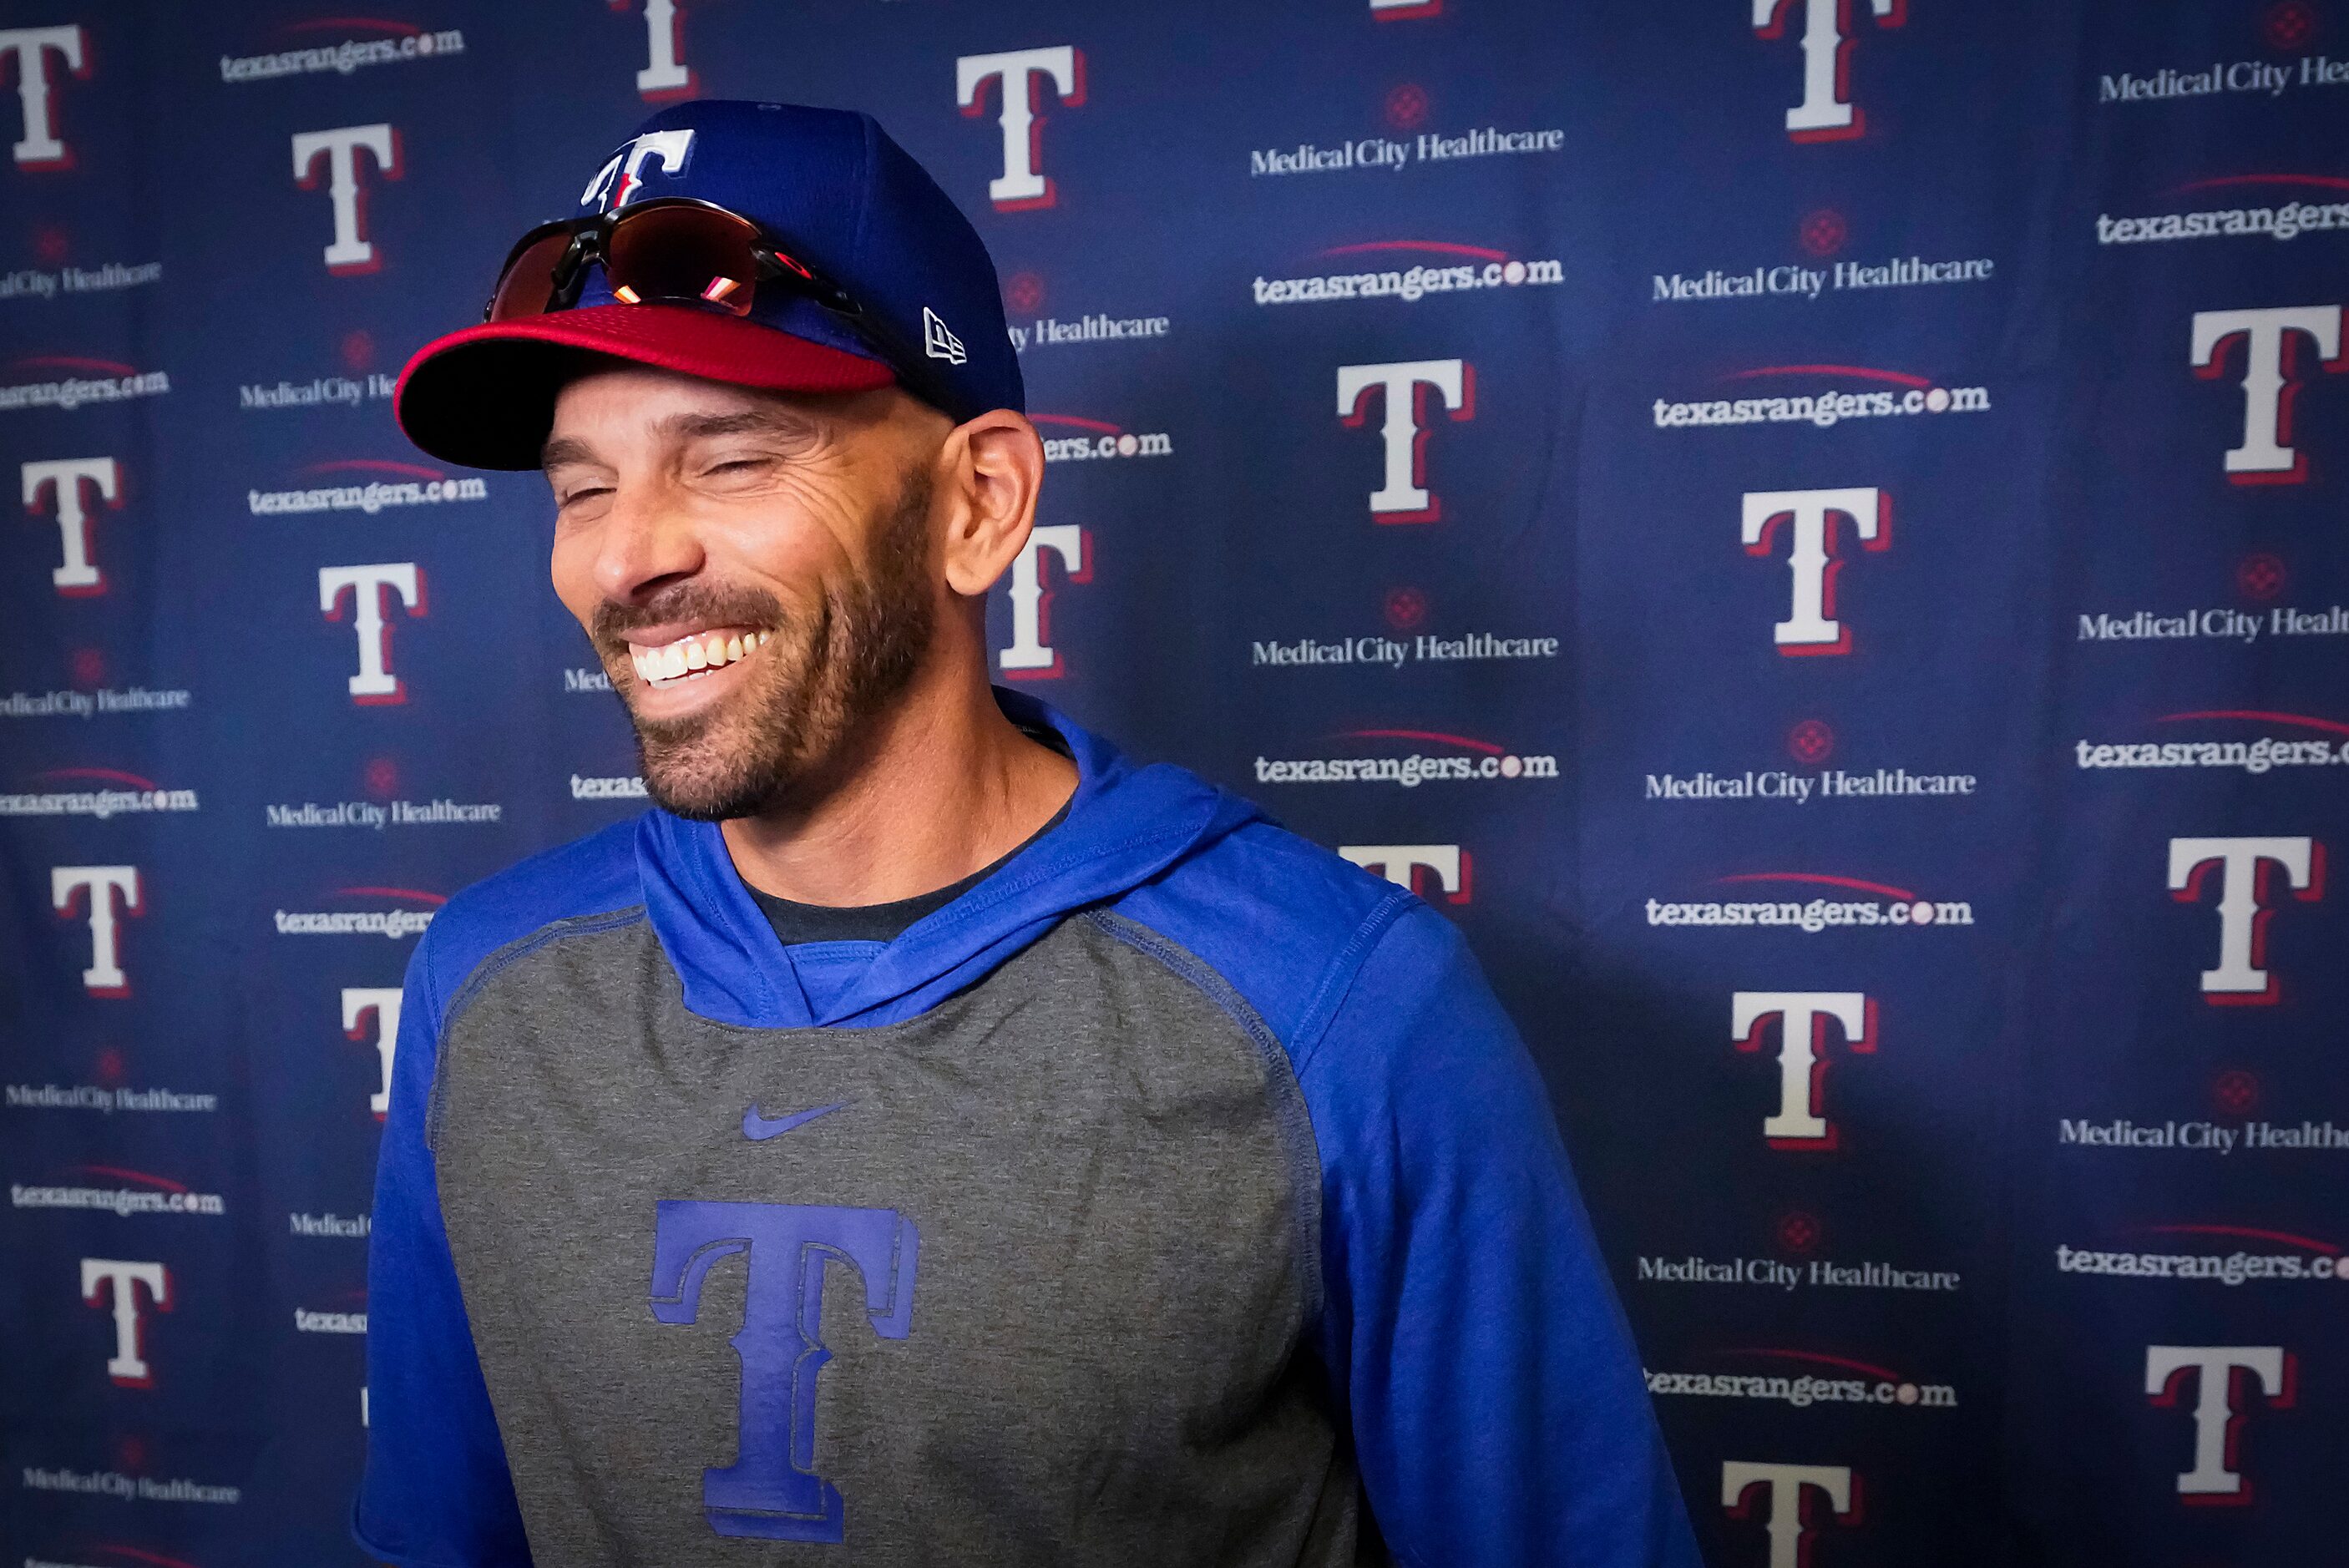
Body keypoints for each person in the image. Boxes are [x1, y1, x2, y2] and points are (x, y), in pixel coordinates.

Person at [355, 99, 1698, 1568]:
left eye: (730, 460)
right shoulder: (483, 986)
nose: (625, 555)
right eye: (583, 486)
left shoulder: (1342, 1006)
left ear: (979, 503)